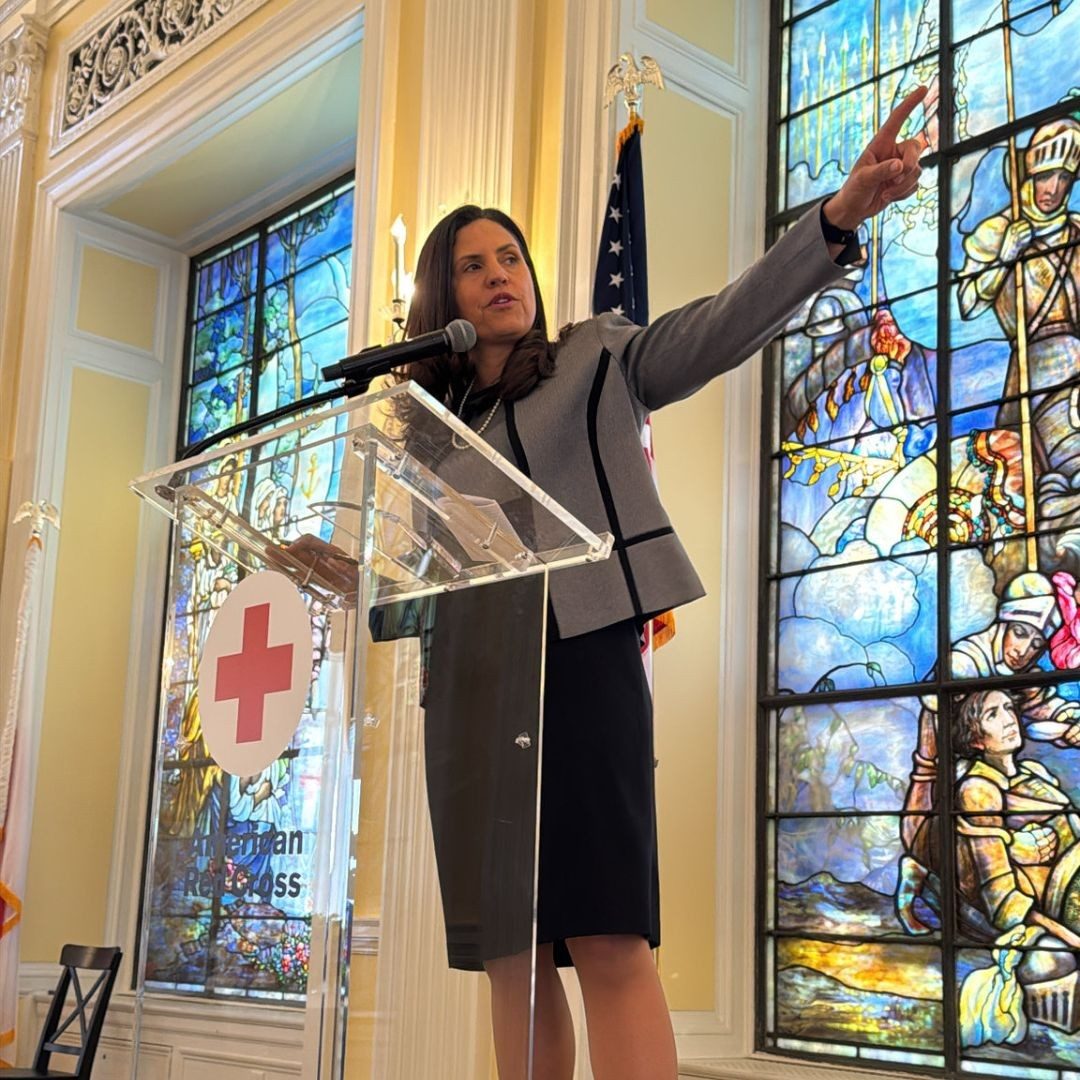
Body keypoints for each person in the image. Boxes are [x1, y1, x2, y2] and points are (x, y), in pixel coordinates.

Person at [287, 88, 927, 1080]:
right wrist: (346, 576)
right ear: (438, 299)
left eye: (511, 258)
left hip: (580, 663)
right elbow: (412, 582)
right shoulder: (424, 431)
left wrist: (836, 219)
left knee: (607, 941)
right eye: (473, 265)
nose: (501, 275)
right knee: (514, 961)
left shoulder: (598, 355)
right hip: (469, 690)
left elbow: (719, 327)